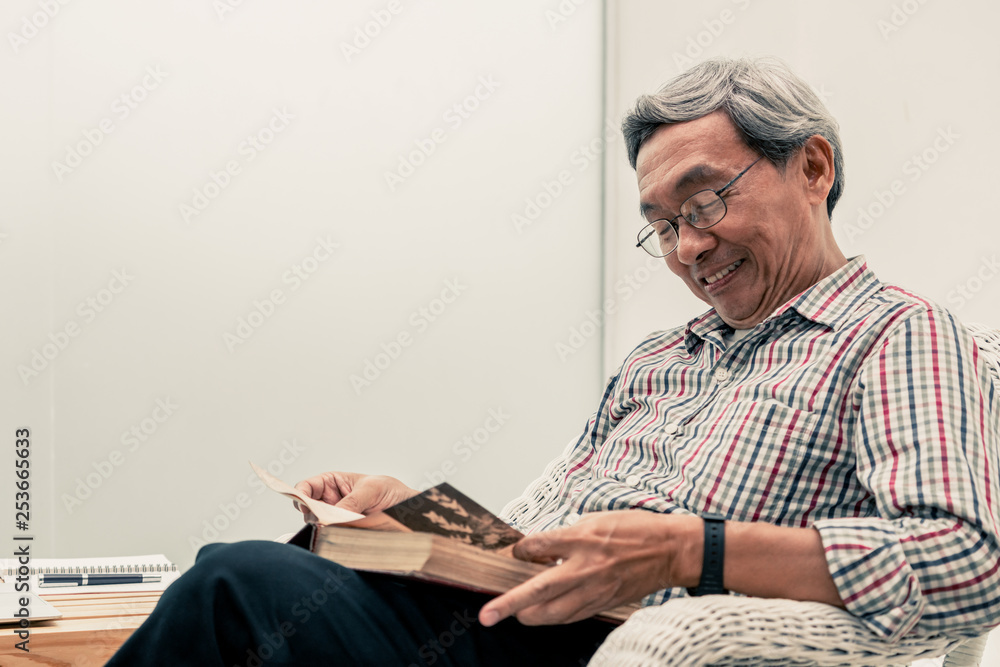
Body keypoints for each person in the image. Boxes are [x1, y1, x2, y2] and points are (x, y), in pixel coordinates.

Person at [107, 57, 1000, 666]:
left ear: (812, 166)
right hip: (505, 621)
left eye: (706, 200)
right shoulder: (659, 359)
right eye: (661, 226)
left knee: (237, 584)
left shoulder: (898, 336)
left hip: (621, 647)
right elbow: (534, 539)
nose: (688, 248)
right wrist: (412, 514)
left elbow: (967, 562)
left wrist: (692, 550)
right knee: (244, 573)